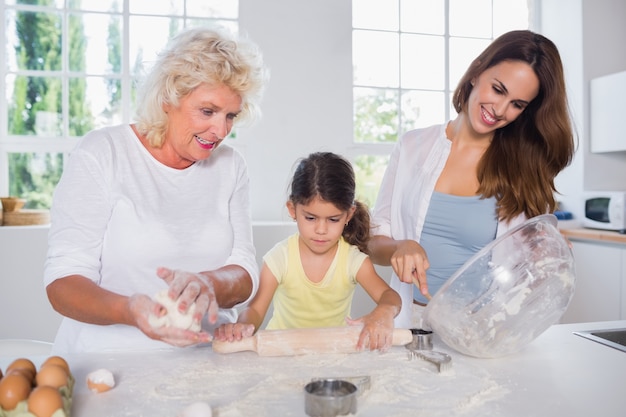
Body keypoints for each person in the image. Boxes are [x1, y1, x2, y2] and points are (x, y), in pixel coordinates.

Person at [43, 26, 269, 353]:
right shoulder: (102, 153)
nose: (221, 130)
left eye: (230, 115)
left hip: (205, 362)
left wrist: (209, 283)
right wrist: (131, 310)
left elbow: (245, 271)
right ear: (167, 98)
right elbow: (62, 283)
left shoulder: (231, 166)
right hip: (105, 363)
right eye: (207, 111)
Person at [367, 30, 576, 329]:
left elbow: (529, 264)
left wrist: (548, 253)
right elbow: (373, 244)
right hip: (408, 321)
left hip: (480, 327)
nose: (501, 110)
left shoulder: (522, 168)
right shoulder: (412, 147)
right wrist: (401, 245)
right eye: (498, 89)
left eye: (518, 104)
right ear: (477, 70)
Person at [214, 152, 402, 351]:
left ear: (349, 215)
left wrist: (385, 311)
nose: (321, 230)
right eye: (311, 218)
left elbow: (390, 296)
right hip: (281, 354)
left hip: (331, 355)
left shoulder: (353, 261)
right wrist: (242, 326)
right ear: (292, 209)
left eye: (333, 219)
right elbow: (255, 309)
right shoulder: (280, 258)